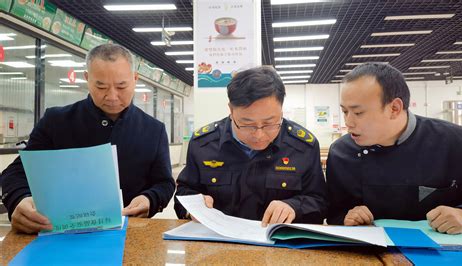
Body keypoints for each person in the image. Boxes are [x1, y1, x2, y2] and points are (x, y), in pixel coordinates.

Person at [1, 44, 175, 234]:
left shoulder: (153, 130)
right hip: (61, 234)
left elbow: (164, 183)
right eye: (101, 86)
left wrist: (150, 199)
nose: (112, 96)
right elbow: (16, 172)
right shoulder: (56, 121)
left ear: (134, 79)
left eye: (121, 86)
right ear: (87, 79)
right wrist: (19, 199)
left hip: (128, 235)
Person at [326, 62, 462, 234]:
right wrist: (348, 218)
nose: (348, 122)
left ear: (394, 108)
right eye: (345, 112)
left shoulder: (460, 143)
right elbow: (334, 213)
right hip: (370, 254)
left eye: (358, 113)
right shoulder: (341, 152)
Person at [174, 66, 327, 226]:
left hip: (280, 245)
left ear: (281, 111)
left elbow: (320, 202)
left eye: (269, 123)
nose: (259, 135)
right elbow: (184, 194)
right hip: (218, 243)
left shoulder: (302, 147)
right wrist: (194, 206)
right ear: (231, 111)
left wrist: (294, 207)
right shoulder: (203, 144)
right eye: (247, 124)